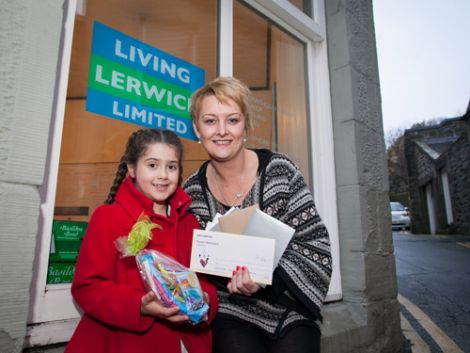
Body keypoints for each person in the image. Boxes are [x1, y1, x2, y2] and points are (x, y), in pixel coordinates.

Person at [183, 77, 332, 353]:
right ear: (196, 128)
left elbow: (315, 247)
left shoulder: (279, 172)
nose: (222, 131)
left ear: (246, 126)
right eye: (210, 121)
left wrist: (265, 281)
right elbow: (194, 261)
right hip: (231, 309)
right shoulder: (191, 192)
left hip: (288, 306)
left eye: (233, 120)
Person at [65, 129, 218, 353]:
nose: (163, 175)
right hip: (126, 343)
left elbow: (205, 281)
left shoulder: (189, 222)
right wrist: (138, 305)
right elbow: (87, 287)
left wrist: (204, 300)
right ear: (132, 168)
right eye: (153, 165)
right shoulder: (108, 217)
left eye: (171, 166)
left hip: (187, 341)